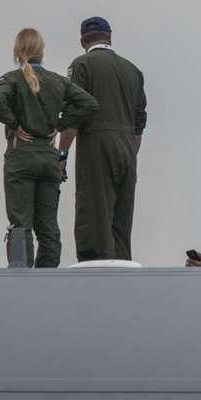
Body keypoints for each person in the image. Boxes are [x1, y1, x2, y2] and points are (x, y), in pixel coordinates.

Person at [0, 28, 99, 268]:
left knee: (20, 224)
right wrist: (59, 124)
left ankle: (22, 278)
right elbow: (88, 103)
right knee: (48, 229)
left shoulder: (12, 79)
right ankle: (46, 278)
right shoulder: (58, 81)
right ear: (41, 51)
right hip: (49, 158)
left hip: (21, 157)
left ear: (17, 51)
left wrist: (14, 124)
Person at [57, 16, 147, 262]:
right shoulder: (133, 71)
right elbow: (140, 125)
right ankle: (123, 275)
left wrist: (61, 155)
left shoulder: (82, 64)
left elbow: (73, 117)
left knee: (94, 219)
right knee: (121, 223)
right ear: (110, 37)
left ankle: (97, 279)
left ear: (82, 40)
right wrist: (127, 153)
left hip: (97, 144)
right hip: (129, 147)